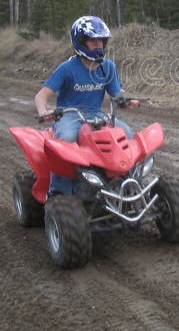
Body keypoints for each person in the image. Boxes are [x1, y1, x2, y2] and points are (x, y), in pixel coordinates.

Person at [35, 15, 139, 196]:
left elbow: (117, 95)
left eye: (101, 40)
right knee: (66, 139)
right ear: (81, 42)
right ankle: (57, 192)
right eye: (93, 40)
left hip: (96, 115)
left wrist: (125, 101)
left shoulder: (108, 67)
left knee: (128, 134)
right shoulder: (67, 68)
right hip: (69, 116)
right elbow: (41, 96)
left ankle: (129, 185)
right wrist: (44, 111)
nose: (98, 45)